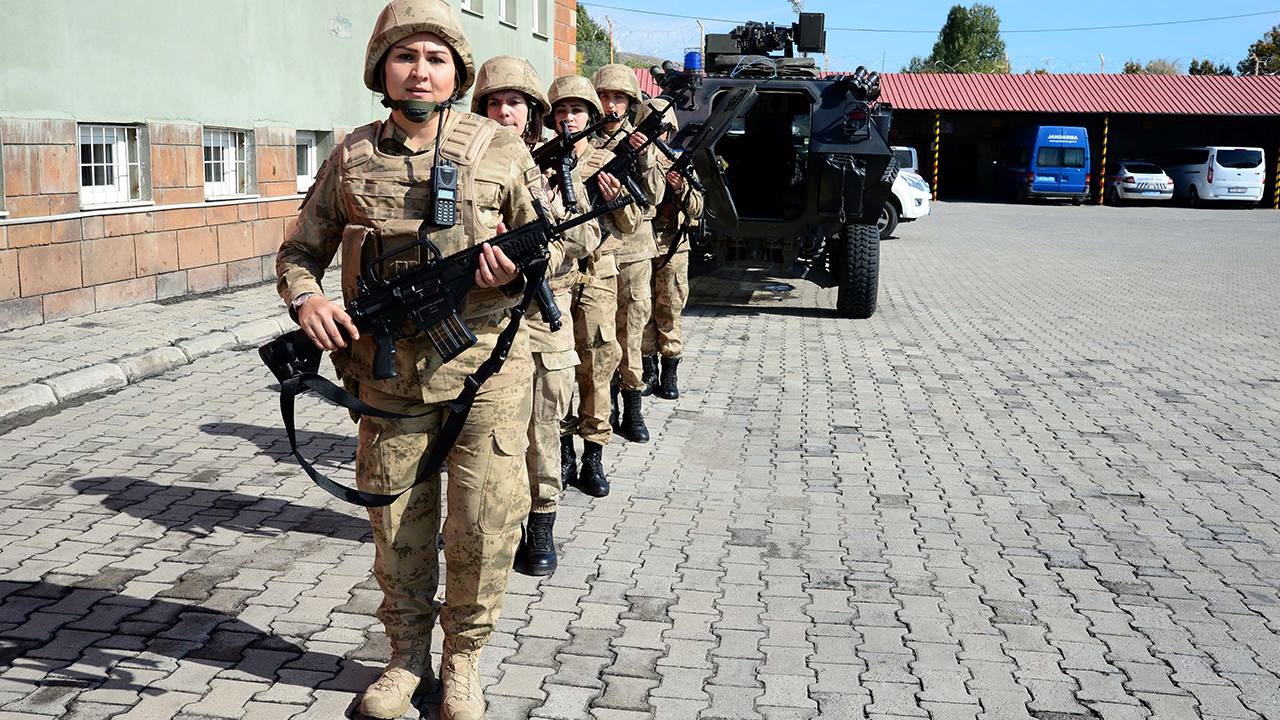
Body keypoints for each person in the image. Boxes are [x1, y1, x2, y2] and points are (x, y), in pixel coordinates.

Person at [275, 3, 559, 718]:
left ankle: (464, 661)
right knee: (397, 524)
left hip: (488, 371)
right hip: (389, 376)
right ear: (381, 69)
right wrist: (307, 303)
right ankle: (405, 661)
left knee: (483, 524)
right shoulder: (352, 153)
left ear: (457, 71)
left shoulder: (501, 147)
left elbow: (556, 243)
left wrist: (513, 274)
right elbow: (298, 251)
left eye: (436, 58)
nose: (421, 71)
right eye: (406, 57)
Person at [470, 57, 624, 576]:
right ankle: (489, 521)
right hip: (475, 319)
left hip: (537, 314)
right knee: (484, 430)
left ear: (532, 111)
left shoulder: (548, 165)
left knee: (542, 424)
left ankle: (541, 522)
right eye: (493, 102)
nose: (503, 111)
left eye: (514, 102)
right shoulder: (459, 159)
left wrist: (533, 260)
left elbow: (582, 234)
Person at [552, 74, 643, 498]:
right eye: (562, 111)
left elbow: (632, 225)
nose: (570, 118)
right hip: (554, 279)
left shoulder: (608, 161)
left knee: (597, 366)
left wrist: (617, 199)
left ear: (590, 115)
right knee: (558, 371)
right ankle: (563, 449)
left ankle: (593, 455)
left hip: (598, 276)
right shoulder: (542, 162)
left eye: (577, 110)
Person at [591, 64, 665, 444]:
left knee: (631, 332)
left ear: (630, 103)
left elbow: (655, 197)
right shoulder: (582, 141)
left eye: (618, 98)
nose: (610, 105)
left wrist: (645, 157)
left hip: (633, 251)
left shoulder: (639, 142)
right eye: (604, 97)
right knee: (598, 341)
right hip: (594, 253)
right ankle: (603, 412)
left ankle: (632, 407)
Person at [641, 100, 703, 400]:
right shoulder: (636, 159)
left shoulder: (679, 161)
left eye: (665, 128)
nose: (660, 134)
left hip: (671, 246)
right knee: (641, 311)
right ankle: (648, 370)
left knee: (669, 310)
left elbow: (698, 207)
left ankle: (669, 371)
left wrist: (680, 189)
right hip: (640, 245)